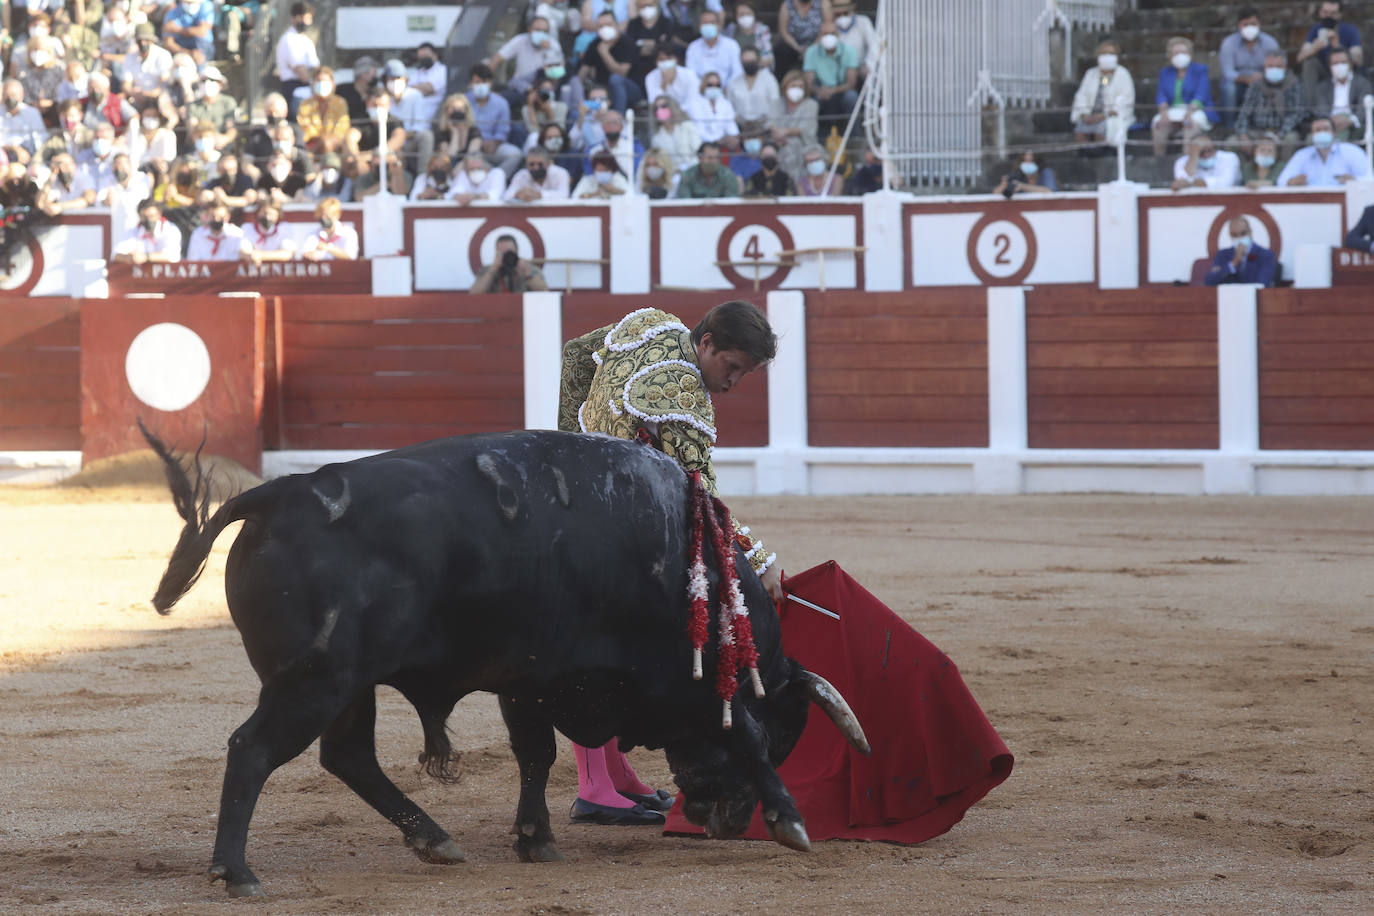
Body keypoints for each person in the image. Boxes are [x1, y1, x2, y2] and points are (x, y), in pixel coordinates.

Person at [557, 300, 781, 825]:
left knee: (612, 645)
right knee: (600, 648)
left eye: (744, 374)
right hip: (614, 531)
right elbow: (703, 498)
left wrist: (568, 447)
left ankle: (616, 776)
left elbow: (574, 355)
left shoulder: (650, 322)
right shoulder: (683, 396)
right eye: (731, 368)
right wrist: (763, 558)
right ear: (706, 344)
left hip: (578, 505)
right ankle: (593, 787)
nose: (732, 383)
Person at [1152, 37, 1217, 156]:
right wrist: (1163, 113)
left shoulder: (1200, 70)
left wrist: (1189, 113)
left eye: (1183, 52)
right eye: (1176, 53)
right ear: (1170, 55)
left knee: (1190, 126)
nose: (1179, 56)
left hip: (1196, 109)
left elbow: (1201, 95)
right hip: (1173, 110)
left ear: (1190, 54)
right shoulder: (1165, 72)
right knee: (1159, 126)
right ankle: (1159, 160)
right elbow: (1161, 95)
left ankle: (1185, 164)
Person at [1218, 7, 1279, 128]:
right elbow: (1228, 72)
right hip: (1238, 82)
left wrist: (1264, 77)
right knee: (1228, 88)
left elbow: (1277, 67)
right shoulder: (1228, 43)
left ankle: (1268, 127)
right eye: (1245, 24)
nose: (1249, 27)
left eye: (1253, 24)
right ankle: (1230, 127)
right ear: (1239, 25)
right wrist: (1247, 78)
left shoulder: (1270, 42)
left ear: (1259, 24)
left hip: (1262, 81)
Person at [1233, 51, 1305, 151]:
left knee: (1291, 139)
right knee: (1233, 142)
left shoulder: (1294, 84)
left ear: (1285, 67)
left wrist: (1279, 135)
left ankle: (1283, 166)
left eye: (1278, 66)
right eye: (1270, 66)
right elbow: (1245, 112)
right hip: (1257, 131)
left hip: (1282, 131)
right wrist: (1243, 134)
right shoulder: (1256, 85)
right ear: (1264, 67)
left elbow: (1297, 113)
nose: (1274, 69)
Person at [1297, 1, 1363, 107]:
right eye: (1325, 12)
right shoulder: (1315, 29)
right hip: (1325, 71)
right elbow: (1300, 57)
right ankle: (1312, 108)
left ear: (1340, 14)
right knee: (1309, 63)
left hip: (1345, 72)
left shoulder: (1350, 30)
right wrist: (1314, 48)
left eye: (1333, 13)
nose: (1328, 16)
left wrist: (1338, 46)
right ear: (1320, 13)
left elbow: (1359, 60)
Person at [1071, 39, 1134, 147]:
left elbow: (1126, 101)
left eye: (1111, 54)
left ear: (1117, 57)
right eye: (1103, 54)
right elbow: (1081, 96)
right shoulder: (1090, 74)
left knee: (1101, 130)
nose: (1107, 57)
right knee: (1080, 132)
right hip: (1090, 116)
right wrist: (1084, 115)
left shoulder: (1123, 75)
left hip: (1109, 117)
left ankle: (1101, 158)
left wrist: (1103, 116)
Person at [490, 15, 563, 106]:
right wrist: (488, 83)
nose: (541, 33)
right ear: (529, 29)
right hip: (520, 87)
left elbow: (558, 73)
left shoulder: (553, 45)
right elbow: (497, 58)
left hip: (544, 87)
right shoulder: (520, 40)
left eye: (545, 31)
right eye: (538, 30)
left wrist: (550, 51)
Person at [804, 20, 858, 141]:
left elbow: (852, 83)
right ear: (819, 35)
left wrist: (832, 91)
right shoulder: (811, 52)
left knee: (852, 97)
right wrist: (819, 91)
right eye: (825, 34)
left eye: (832, 33)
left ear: (838, 35)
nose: (829, 37)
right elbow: (808, 84)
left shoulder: (849, 51)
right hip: (820, 93)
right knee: (812, 102)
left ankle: (855, 139)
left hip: (841, 92)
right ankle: (815, 139)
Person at [467, 64, 524, 177]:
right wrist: (478, 142)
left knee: (515, 154)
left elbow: (503, 129)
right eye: (477, 82)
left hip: (494, 145)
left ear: (491, 83)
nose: (481, 85)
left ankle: (497, 178)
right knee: (472, 158)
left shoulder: (501, 103)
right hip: (471, 146)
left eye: (484, 82)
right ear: (471, 84)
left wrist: (495, 143)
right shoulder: (464, 101)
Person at [1276, 116, 1369, 186]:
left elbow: (1369, 179)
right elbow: (1281, 181)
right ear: (1312, 135)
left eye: (1325, 129)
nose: (1322, 133)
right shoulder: (1302, 155)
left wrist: (1354, 181)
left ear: (1334, 133)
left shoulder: (1352, 151)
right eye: (1318, 130)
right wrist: (1291, 182)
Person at [583, 11, 642, 114]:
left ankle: (619, 119)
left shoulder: (627, 42)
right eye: (601, 26)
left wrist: (604, 52)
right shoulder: (594, 44)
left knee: (615, 79)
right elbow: (583, 71)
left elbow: (621, 73)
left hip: (631, 90)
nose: (605, 29)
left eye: (608, 25)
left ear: (617, 25)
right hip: (603, 89)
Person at [770, 69, 818, 184]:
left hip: (805, 144)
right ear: (785, 87)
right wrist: (778, 136)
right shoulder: (776, 103)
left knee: (794, 147)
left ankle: (799, 185)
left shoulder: (811, 104)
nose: (797, 89)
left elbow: (807, 129)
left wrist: (785, 132)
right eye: (793, 86)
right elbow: (771, 125)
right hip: (779, 144)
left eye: (800, 87)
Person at [1314, 48, 1372, 141]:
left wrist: (1349, 120)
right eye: (1335, 63)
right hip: (1329, 124)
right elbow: (1321, 109)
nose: (1339, 66)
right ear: (1330, 66)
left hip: (1354, 124)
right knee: (1311, 138)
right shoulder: (1323, 86)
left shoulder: (1363, 83)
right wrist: (1332, 122)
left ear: (1350, 64)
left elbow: (1363, 110)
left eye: (1343, 62)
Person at [1203, 217, 1275, 287]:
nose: (1239, 238)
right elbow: (1209, 281)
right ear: (1230, 235)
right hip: (1228, 297)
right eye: (1234, 235)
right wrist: (1234, 263)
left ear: (1250, 232)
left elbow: (1264, 283)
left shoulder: (1266, 255)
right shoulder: (1222, 255)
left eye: (1243, 233)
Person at [99, 153, 152, 246]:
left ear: (130, 166)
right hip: (116, 230)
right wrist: (106, 201)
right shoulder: (106, 181)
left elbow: (143, 200)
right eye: (116, 165)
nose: (119, 169)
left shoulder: (141, 178)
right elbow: (98, 202)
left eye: (122, 165)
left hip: (138, 229)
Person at [276, 2, 318, 115]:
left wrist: (312, 73)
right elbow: (303, 74)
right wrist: (310, 74)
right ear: (297, 18)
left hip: (308, 88)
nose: (309, 22)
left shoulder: (306, 40)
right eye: (307, 18)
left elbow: (317, 69)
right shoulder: (289, 40)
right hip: (294, 90)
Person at [469, 233, 548, 293]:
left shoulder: (529, 268)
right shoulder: (487, 270)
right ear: (497, 253)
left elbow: (545, 292)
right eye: (502, 253)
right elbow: (474, 293)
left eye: (509, 253)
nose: (507, 256)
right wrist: (493, 270)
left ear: (517, 251)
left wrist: (527, 274)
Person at [297, 65, 350, 155]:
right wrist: (322, 140)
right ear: (313, 83)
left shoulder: (340, 102)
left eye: (325, 80)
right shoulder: (305, 104)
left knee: (328, 144)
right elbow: (305, 127)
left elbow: (342, 126)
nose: (322, 83)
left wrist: (328, 140)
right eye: (318, 80)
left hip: (335, 144)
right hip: (313, 145)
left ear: (332, 83)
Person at [112, 198, 182, 263]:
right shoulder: (134, 231)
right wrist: (128, 257)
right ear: (139, 216)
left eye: (151, 216)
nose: (148, 220)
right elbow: (115, 254)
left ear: (159, 214)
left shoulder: (171, 230)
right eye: (144, 217)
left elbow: (173, 255)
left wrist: (146, 257)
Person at [727, 45, 779, 133]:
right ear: (741, 62)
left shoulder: (769, 79)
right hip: (741, 128)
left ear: (758, 61)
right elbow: (729, 107)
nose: (749, 64)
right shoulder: (733, 83)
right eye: (746, 62)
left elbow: (775, 104)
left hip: (765, 128)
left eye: (752, 61)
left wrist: (768, 125)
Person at [187, 66, 239, 151]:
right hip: (200, 147)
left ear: (220, 84)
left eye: (212, 80)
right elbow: (193, 129)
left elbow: (231, 128)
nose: (207, 83)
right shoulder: (192, 106)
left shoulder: (228, 102)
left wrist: (224, 139)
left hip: (222, 147)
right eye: (203, 80)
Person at [624, 0, 674, 85]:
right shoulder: (633, 24)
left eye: (649, 5)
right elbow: (630, 47)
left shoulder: (666, 22)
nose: (646, 8)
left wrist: (644, 45)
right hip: (638, 71)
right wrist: (655, 44)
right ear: (638, 8)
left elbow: (668, 46)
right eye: (643, 6)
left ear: (656, 4)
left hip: (660, 67)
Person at [583, 108, 642, 180]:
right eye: (608, 123)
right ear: (602, 127)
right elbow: (590, 175)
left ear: (621, 127)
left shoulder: (634, 147)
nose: (611, 127)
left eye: (614, 123)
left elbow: (639, 171)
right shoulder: (592, 150)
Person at [123, 22, 174, 105]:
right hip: (137, 98)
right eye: (140, 40)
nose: (143, 43)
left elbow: (163, 85)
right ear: (136, 41)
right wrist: (134, 93)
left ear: (152, 40)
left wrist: (146, 94)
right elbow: (126, 84)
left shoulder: (163, 55)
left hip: (159, 98)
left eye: (146, 40)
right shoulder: (130, 57)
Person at [775, 0, 829, 78]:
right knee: (781, 49)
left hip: (817, 44)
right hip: (794, 45)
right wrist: (798, 48)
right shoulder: (787, 4)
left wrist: (810, 49)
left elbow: (828, 27)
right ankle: (782, 82)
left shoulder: (823, 3)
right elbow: (783, 31)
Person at [685, 70, 739, 147]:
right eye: (710, 85)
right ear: (703, 86)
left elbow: (731, 126)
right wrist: (717, 140)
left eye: (718, 85)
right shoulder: (694, 104)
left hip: (723, 143)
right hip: (702, 144)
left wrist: (733, 138)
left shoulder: (726, 104)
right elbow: (699, 130)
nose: (714, 87)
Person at [649, 95, 701, 173]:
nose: (660, 110)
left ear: (671, 107)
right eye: (657, 108)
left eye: (664, 106)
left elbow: (698, 150)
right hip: (672, 175)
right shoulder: (657, 137)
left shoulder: (687, 126)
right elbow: (661, 162)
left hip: (693, 170)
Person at [1170, 135, 1241, 191]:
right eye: (1202, 152)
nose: (1206, 155)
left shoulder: (1229, 158)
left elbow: (1224, 184)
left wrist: (1190, 182)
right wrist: (1194, 154)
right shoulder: (1181, 162)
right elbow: (1181, 182)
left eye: (1209, 150)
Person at [504, 146, 571, 201]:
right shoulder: (521, 175)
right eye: (532, 164)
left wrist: (539, 195)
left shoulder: (560, 173)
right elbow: (506, 196)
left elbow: (564, 194)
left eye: (540, 164)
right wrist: (518, 194)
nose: (536, 167)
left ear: (549, 164)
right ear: (526, 165)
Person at [0, 80, 46, 157]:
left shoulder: (32, 113)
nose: (10, 98)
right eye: (7, 95)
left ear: (22, 95)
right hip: (4, 156)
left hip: (28, 157)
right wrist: (14, 149)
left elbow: (41, 140)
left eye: (13, 95)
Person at [204, 150, 257, 218]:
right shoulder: (215, 182)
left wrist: (226, 199)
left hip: (241, 216)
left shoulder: (244, 179)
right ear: (219, 170)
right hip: (220, 218)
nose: (229, 173)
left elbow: (249, 199)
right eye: (225, 170)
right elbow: (203, 196)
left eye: (232, 170)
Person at [161, 0, 214, 65]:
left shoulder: (206, 5)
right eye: (188, 2)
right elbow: (168, 43)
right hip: (181, 47)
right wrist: (189, 53)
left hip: (202, 45)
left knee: (199, 54)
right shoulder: (173, 11)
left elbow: (202, 32)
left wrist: (177, 30)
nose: (191, 5)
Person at [408, 41, 449, 126]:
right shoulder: (417, 73)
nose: (423, 59)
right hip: (414, 115)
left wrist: (411, 88)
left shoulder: (442, 70)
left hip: (434, 117)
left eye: (426, 56)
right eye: (421, 57)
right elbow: (406, 91)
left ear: (435, 55)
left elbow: (428, 89)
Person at [725, 1, 774, 72]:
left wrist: (751, 66)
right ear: (735, 17)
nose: (745, 17)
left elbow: (768, 57)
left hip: (757, 69)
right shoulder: (730, 30)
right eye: (741, 14)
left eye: (748, 14)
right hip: (735, 70)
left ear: (754, 15)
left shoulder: (762, 30)